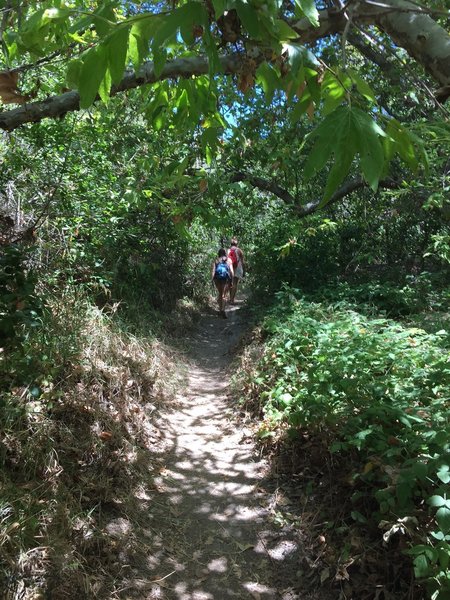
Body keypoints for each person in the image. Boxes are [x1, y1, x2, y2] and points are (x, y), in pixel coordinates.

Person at [211, 248, 233, 318]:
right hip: (225, 279)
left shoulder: (216, 260)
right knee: (224, 295)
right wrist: (231, 280)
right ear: (225, 253)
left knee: (220, 294)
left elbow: (213, 271)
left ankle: (220, 310)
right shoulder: (228, 260)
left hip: (217, 279)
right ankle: (223, 309)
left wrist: (212, 279)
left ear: (219, 253)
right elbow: (232, 272)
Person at [227, 238, 245, 304]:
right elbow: (243, 262)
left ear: (231, 244)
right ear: (237, 244)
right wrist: (244, 270)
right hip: (237, 268)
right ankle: (232, 300)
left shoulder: (228, 250)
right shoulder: (239, 250)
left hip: (229, 267)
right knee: (235, 283)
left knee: (229, 283)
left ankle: (229, 298)